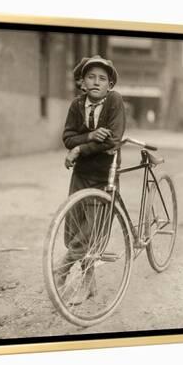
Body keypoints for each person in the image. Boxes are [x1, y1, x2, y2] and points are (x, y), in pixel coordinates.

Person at [56, 55, 126, 304]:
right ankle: (89, 283)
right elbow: (67, 136)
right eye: (91, 77)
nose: (96, 82)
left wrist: (79, 149)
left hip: (103, 174)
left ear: (110, 84)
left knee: (91, 230)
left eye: (102, 78)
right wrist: (91, 136)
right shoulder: (77, 105)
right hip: (81, 175)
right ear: (82, 82)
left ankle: (62, 269)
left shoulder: (115, 101)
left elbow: (113, 140)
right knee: (76, 225)